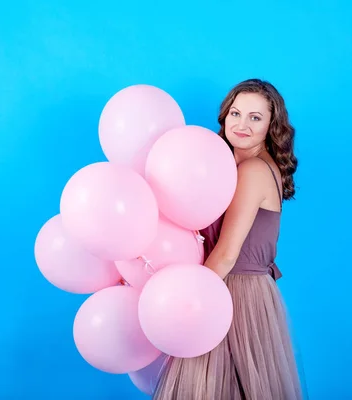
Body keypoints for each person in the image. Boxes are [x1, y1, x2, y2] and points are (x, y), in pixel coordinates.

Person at [152, 78, 303, 400]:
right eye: (236, 113)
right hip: (220, 283)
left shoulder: (254, 170)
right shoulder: (227, 165)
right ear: (224, 117)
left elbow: (227, 253)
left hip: (235, 291)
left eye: (255, 117)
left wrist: (185, 302)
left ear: (271, 127)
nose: (242, 124)